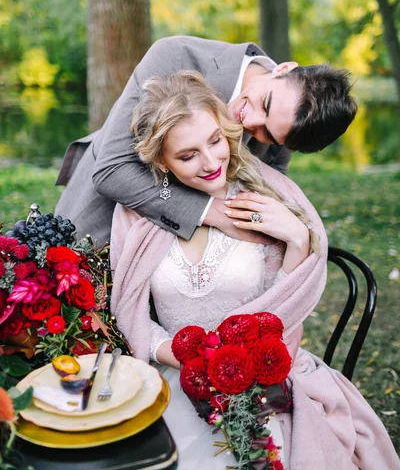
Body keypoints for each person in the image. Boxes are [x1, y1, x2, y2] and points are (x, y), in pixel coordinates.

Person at [110, 72, 398, 470]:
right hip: (169, 377)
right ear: (161, 159)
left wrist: (297, 240)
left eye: (215, 141)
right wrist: (179, 357)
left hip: (257, 379)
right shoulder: (139, 212)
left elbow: (285, 303)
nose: (211, 163)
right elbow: (130, 308)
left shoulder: (266, 194)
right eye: (188, 155)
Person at [55, 36, 357, 247]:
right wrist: (214, 215)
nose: (251, 124)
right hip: (97, 223)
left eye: (268, 133)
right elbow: (114, 170)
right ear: (284, 69)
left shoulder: (286, 129)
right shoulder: (174, 56)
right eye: (265, 104)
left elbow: (263, 198)